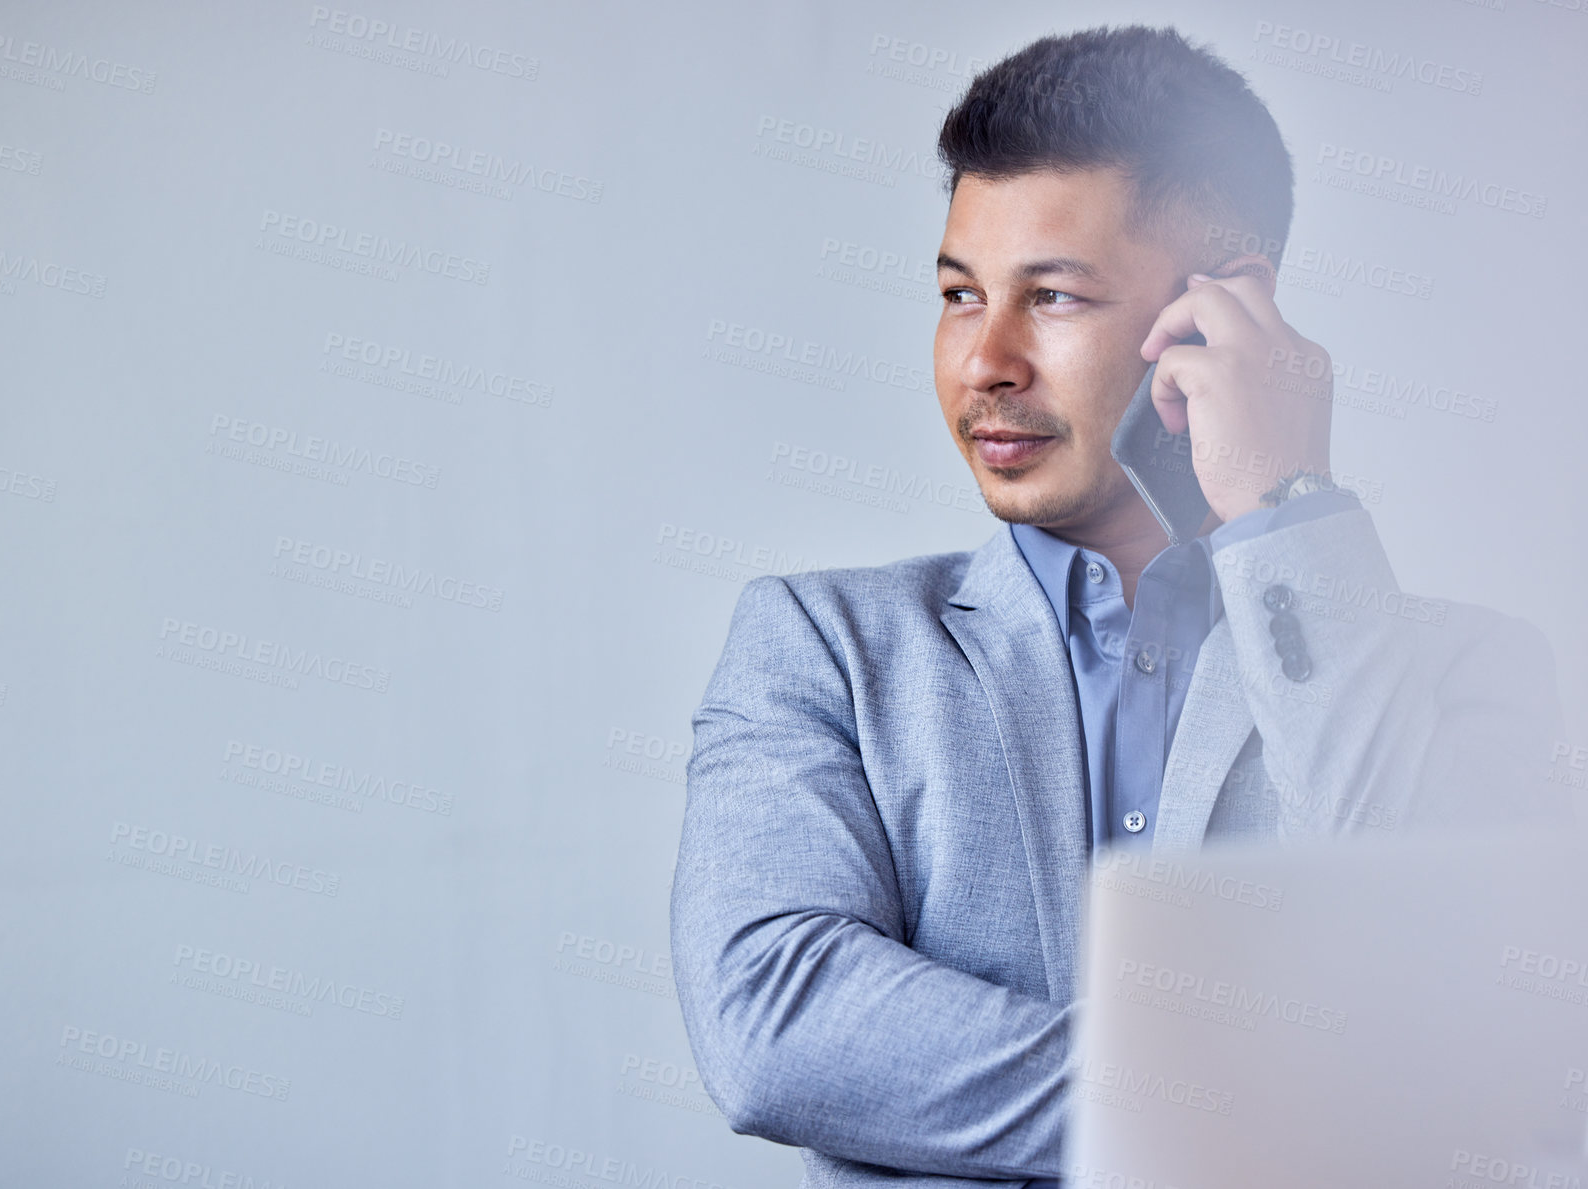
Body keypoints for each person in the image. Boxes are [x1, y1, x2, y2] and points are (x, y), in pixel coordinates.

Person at [669, 24, 1564, 1188]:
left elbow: (1446, 1019)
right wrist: (1242, 1096)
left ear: (1221, 311)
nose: (983, 359)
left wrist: (1285, 508)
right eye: (957, 294)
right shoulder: (825, 648)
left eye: (1052, 297)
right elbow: (772, 1024)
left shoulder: (1470, 673)